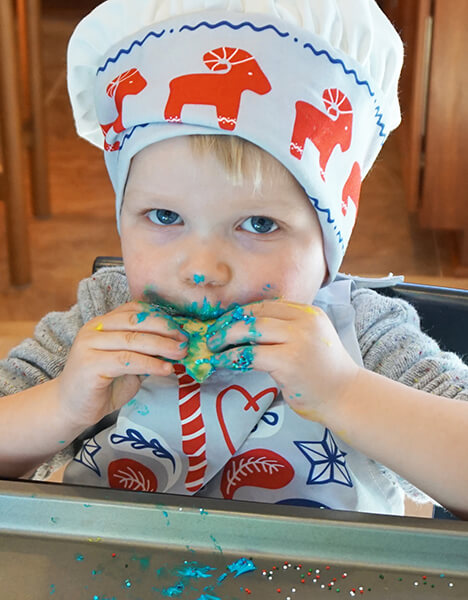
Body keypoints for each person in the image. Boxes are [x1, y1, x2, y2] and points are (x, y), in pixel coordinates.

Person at [1, 0, 467, 517]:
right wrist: (63, 405)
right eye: (163, 217)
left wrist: (346, 392)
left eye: (259, 225)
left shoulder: (364, 334)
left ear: (328, 247)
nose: (203, 269)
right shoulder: (102, 317)